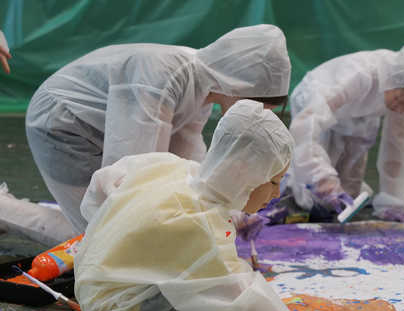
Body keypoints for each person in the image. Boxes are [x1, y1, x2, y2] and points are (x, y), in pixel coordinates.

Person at [74, 100, 380, 311]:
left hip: (92, 280)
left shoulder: (171, 166)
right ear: (245, 174)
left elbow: (102, 187)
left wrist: (127, 241)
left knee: (201, 285)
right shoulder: (196, 227)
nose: (275, 194)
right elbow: (247, 309)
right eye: (273, 181)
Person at [0, 24, 290, 245]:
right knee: (102, 238)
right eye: (260, 105)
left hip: (100, 125)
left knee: (140, 227)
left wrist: (228, 211)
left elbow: (188, 158)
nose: (259, 114)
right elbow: (130, 175)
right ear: (238, 86)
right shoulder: (161, 77)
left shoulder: (206, 85)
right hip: (60, 122)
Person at [287, 32, 404, 222]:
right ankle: (290, 191)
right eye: (399, 99)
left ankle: (336, 196)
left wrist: (393, 202)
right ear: (394, 80)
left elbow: (400, 146)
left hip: (361, 116)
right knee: (311, 193)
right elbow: (307, 125)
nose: (400, 108)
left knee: (349, 195)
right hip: (317, 105)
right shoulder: (361, 74)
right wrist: (322, 180)